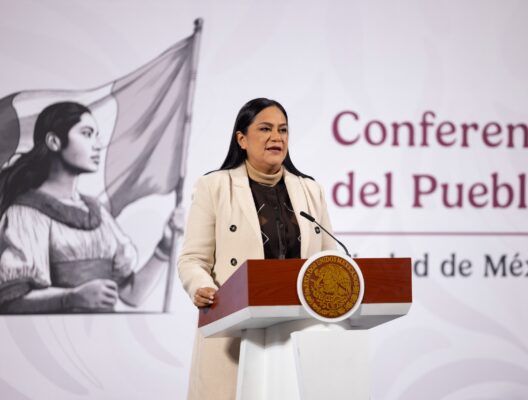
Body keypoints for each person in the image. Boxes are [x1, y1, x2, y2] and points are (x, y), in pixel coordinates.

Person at [177, 98, 337, 399]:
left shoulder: (310, 189)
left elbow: (330, 260)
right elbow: (192, 259)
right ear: (242, 139)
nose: (276, 137)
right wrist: (200, 286)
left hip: (295, 329)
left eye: (283, 130)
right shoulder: (215, 186)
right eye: (265, 129)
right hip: (233, 328)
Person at [0, 101, 182, 313]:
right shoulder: (26, 213)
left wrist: (164, 247)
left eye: (96, 135)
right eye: (87, 134)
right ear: (54, 141)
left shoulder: (98, 213)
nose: (97, 145)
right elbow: (11, 301)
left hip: (103, 333)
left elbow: (131, 295)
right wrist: (71, 297)